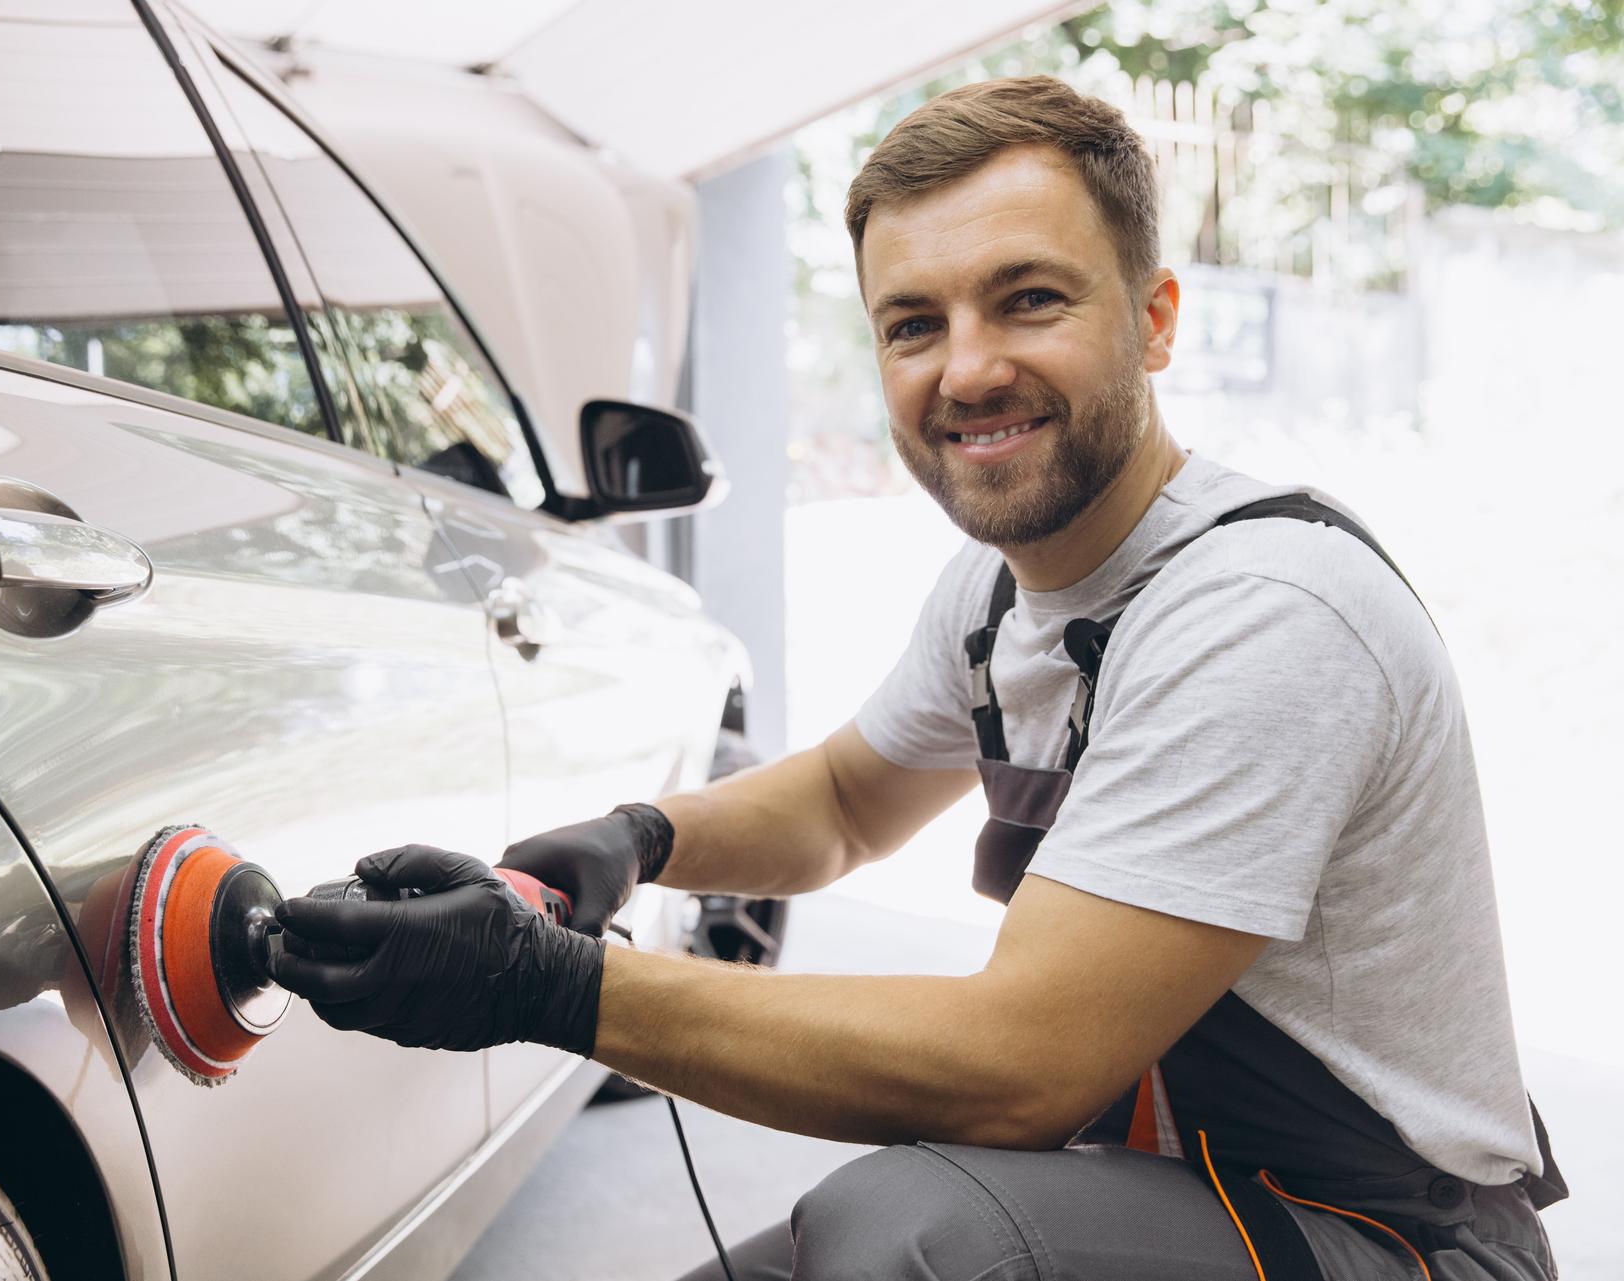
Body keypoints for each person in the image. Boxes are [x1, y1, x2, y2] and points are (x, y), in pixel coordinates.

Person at [268, 77, 1564, 1280]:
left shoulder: (1264, 612)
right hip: (1186, 1190)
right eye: (913, 324)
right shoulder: (1004, 586)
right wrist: (634, 839)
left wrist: (543, 983)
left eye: (1029, 299)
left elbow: (1019, 1068)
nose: (968, 369)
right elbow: (842, 802)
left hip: (1389, 1236)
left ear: (1156, 319)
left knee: (914, 1240)